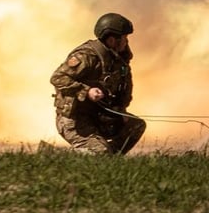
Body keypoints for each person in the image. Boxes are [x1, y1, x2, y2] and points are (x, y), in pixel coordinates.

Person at [50, 12, 146, 154]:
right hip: (75, 121)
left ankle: (109, 158)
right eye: (124, 38)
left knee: (135, 126)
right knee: (101, 152)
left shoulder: (118, 60)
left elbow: (122, 90)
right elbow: (58, 78)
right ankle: (54, 154)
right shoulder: (87, 56)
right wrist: (86, 91)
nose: (127, 42)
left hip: (98, 117)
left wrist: (120, 111)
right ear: (113, 40)